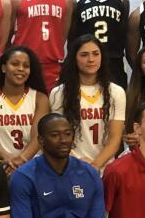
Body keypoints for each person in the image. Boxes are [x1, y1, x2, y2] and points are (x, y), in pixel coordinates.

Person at [50, 35, 126, 171]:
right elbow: (58, 137)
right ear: (74, 58)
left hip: (105, 168)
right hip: (71, 166)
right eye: (84, 55)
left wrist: (95, 165)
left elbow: (115, 139)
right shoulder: (59, 93)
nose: (91, 59)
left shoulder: (116, 92)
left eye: (96, 54)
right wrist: (78, 163)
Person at [0, 45, 50, 174]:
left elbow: (38, 138)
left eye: (26, 66)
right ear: (3, 68)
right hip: (1, 166)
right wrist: (9, 160)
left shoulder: (40, 99)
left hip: (33, 167)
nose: (21, 69)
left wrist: (21, 161)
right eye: (15, 64)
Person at [69, 0, 130, 85]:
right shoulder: (77, 1)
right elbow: (72, 41)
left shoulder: (122, 1)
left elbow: (123, 37)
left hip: (114, 64)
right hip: (87, 65)